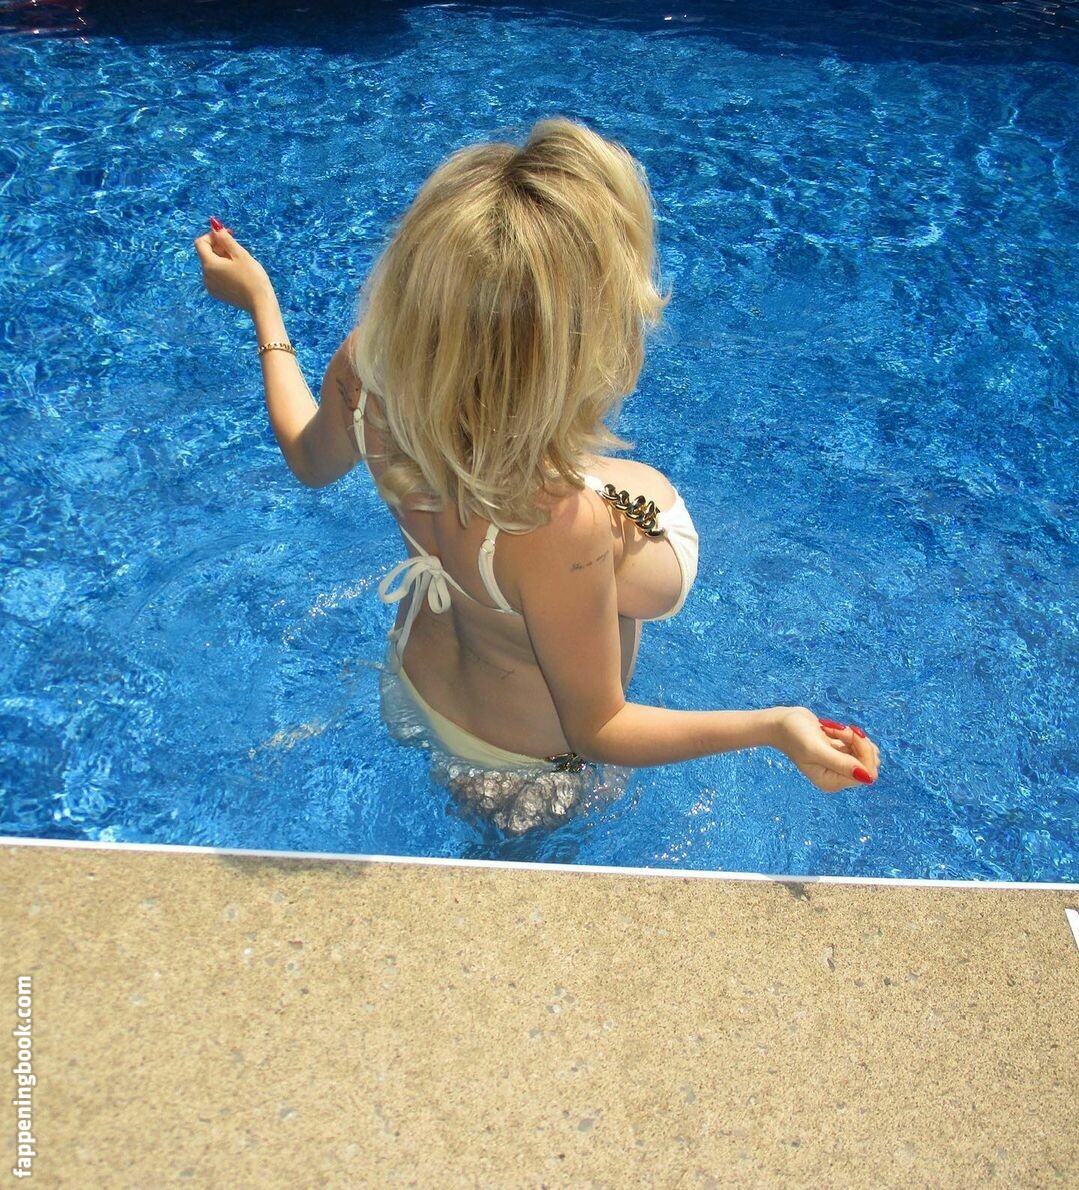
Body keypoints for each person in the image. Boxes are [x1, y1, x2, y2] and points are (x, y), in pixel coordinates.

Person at [194, 118, 880, 830]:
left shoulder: (370, 367)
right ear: (575, 342)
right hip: (522, 769)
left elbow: (308, 461)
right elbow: (600, 728)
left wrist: (262, 302)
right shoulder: (555, 520)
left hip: (412, 683)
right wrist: (772, 727)